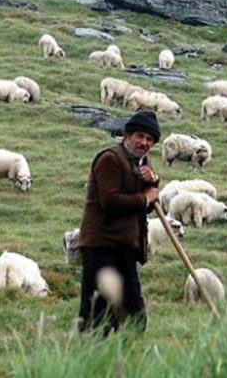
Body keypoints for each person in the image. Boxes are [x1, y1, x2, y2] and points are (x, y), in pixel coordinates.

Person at [76, 111, 161, 335]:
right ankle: (90, 365)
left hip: (125, 249)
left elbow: (148, 206)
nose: (144, 143)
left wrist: (152, 183)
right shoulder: (110, 159)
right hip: (101, 247)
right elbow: (110, 201)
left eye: (150, 139)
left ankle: (128, 365)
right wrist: (146, 197)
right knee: (98, 315)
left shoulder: (141, 163)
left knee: (135, 315)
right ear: (127, 135)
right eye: (140, 136)